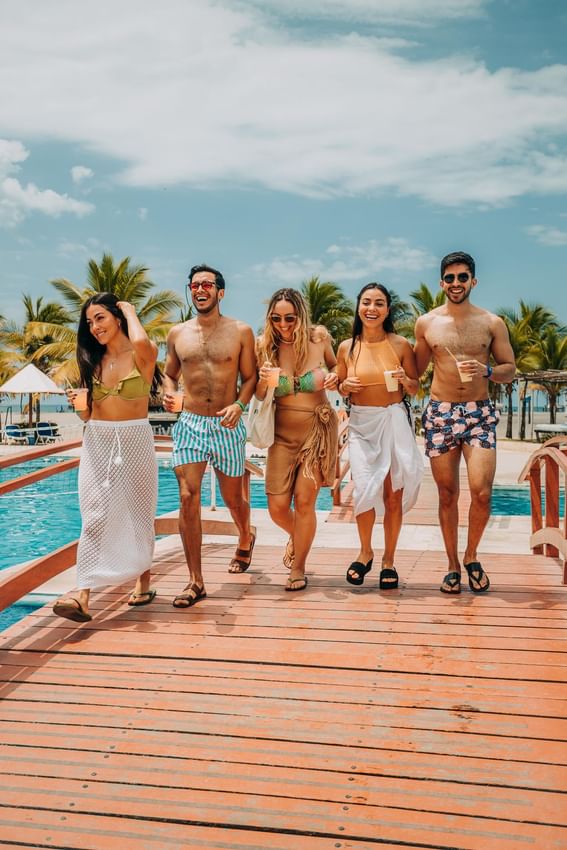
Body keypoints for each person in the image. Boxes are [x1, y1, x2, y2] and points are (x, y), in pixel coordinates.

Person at [53, 293, 160, 622]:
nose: (94, 327)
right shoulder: (91, 360)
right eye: (89, 322)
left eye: (100, 318)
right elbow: (87, 418)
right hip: (97, 439)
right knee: (95, 513)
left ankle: (143, 581)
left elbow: (142, 340)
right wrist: (81, 406)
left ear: (117, 318)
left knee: (139, 514)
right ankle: (83, 593)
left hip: (135, 438)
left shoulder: (142, 354)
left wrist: (127, 309)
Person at [414, 251, 516, 594]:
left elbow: (509, 369)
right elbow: (413, 370)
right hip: (441, 411)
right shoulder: (427, 323)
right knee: (447, 495)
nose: (456, 283)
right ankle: (452, 565)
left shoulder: (491, 322)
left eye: (462, 277)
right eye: (450, 278)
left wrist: (486, 370)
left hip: (479, 413)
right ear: (441, 282)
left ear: (473, 280)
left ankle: (472, 555)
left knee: (482, 493)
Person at [163, 264, 257, 608]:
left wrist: (239, 406)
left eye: (207, 284)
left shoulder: (241, 331)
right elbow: (169, 374)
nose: (200, 289)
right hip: (190, 423)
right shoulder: (177, 334)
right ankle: (195, 581)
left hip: (227, 424)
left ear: (220, 291)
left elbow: (251, 378)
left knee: (234, 500)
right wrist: (169, 394)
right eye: (194, 285)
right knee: (188, 496)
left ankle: (246, 535)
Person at [336, 283, 423, 590]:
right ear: (358, 307)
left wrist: (404, 379)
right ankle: (365, 552)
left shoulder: (400, 344)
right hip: (361, 425)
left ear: (387, 310)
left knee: (392, 492)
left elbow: (414, 387)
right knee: (363, 489)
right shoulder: (347, 347)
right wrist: (344, 387)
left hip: (392, 419)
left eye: (379, 303)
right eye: (367, 302)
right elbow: (340, 385)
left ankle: (389, 559)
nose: (372, 308)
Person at [255, 288, 339, 591]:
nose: (284, 324)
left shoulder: (319, 338)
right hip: (281, 434)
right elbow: (257, 394)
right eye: (276, 318)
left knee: (305, 503)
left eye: (290, 318)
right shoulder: (264, 346)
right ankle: (297, 535)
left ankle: (299, 567)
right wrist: (264, 382)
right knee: (277, 506)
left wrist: (334, 377)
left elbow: (337, 367)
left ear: (301, 316)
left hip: (316, 431)